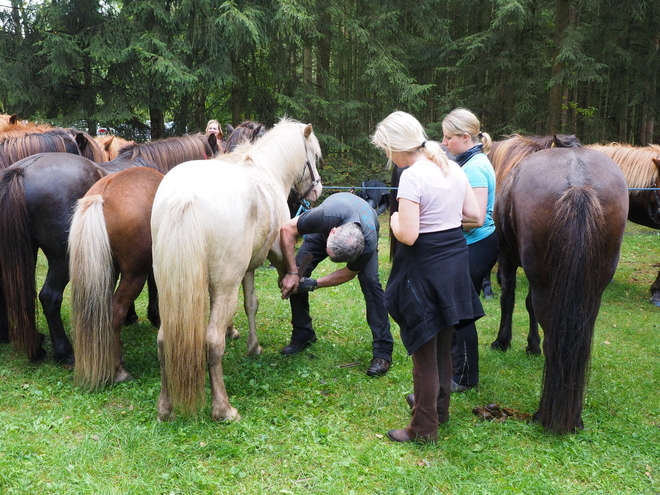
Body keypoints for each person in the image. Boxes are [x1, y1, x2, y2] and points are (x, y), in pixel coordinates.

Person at [371, 110, 483, 443]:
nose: (387, 156)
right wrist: (445, 218)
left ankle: (423, 428)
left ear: (395, 146)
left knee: (423, 352)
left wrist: (391, 221)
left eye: (385, 149)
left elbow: (407, 235)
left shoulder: (412, 176)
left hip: (424, 268)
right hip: (453, 262)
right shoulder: (450, 167)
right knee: (443, 347)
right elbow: (475, 215)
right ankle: (439, 410)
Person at [279, 192, 393, 376]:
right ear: (331, 232)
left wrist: (314, 283)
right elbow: (287, 230)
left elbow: (349, 272)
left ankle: (383, 352)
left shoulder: (367, 244)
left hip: (362, 229)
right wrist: (293, 272)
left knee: (371, 283)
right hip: (332, 223)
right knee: (299, 271)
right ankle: (303, 333)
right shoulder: (324, 216)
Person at [441, 108, 498, 392]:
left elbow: (475, 218)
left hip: (476, 245)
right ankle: (457, 369)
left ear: (466, 137)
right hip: (474, 244)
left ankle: (463, 378)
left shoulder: (474, 167)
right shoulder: (472, 161)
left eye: (448, 137)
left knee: (461, 311)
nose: (444, 142)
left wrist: (439, 220)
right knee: (459, 308)